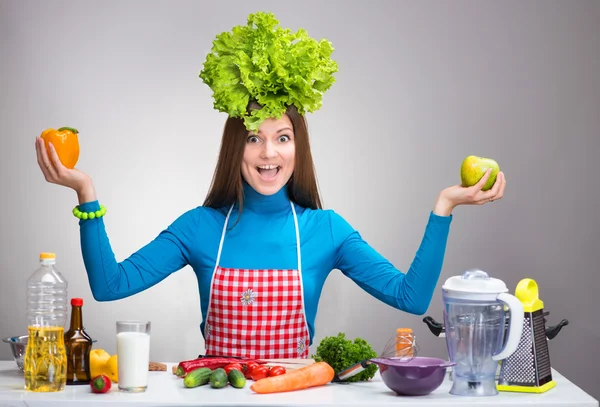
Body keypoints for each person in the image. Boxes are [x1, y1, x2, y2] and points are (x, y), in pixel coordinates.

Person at [34, 12, 505, 360]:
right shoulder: (199, 228)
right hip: (217, 394)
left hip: (297, 396)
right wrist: (86, 193)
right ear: (234, 149)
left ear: (298, 148)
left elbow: (410, 298)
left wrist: (445, 206)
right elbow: (109, 286)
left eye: (282, 138)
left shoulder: (326, 231)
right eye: (254, 139)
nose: (268, 154)